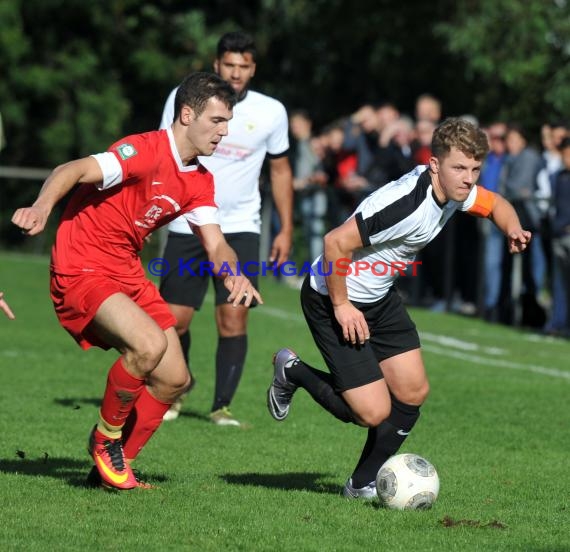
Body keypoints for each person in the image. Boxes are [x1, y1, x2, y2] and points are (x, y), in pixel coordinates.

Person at [11, 72, 262, 491]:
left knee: (174, 378)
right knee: (148, 345)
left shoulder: (199, 180)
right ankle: (105, 440)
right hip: (82, 263)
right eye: (217, 121)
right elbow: (71, 169)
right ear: (187, 114)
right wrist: (41, 207)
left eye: (227, 122)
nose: (224, 132)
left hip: (125, 269)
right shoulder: (143, 151)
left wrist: (234, 274)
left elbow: (217, 244)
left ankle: (115, 465)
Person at [266, 118, 532, 499]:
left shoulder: (457, 191)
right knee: (370, 412)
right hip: (332, 296)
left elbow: (495, 204)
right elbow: (335, 242)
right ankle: (291, 370)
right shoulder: (406, 204)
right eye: (460, 168)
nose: (469, 178)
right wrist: (342, 306)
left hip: (380, 298)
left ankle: (361, 484)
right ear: (435, 164)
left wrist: (513, 228)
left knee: (411, 391)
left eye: (475, 169)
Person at [158, 32, 293, 425]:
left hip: (239, 226)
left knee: (233, 317)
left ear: (253, 69)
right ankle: (177, 387)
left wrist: (286, 228)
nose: (236, 73)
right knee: (174, 319)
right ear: (217, 64)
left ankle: (221, 406)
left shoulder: (272, 112)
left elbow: (281, 171)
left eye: (244, 66)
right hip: (187, 222)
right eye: (229, 65)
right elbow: (162, 153)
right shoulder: (183, 97)